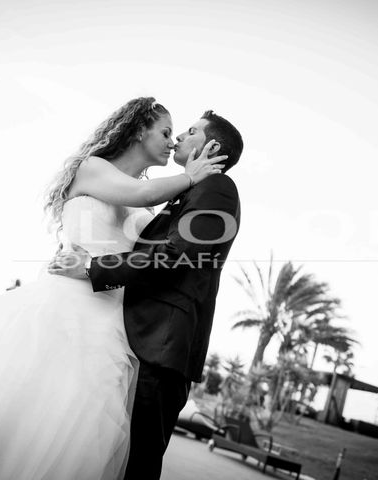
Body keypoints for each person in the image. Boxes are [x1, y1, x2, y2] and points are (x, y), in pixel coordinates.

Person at [0, 97, 226, 480]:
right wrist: (192, 176)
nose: (173, 142)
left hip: (114, 324)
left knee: (79, 433)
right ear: (139, 130)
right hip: (63, 310)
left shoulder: (149, 206)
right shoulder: (93, 169)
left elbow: (152, 254)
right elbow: (139, 195)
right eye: (167, 132)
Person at [50, 109, 243, 479]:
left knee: (138, 461)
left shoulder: (216, 188)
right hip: (138, 335)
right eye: (172, 131)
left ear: (212, 145)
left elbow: (175, 255)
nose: (179, 139)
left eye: (188, 132)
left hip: (164, 343)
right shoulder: (190, 189)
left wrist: (91, 269)